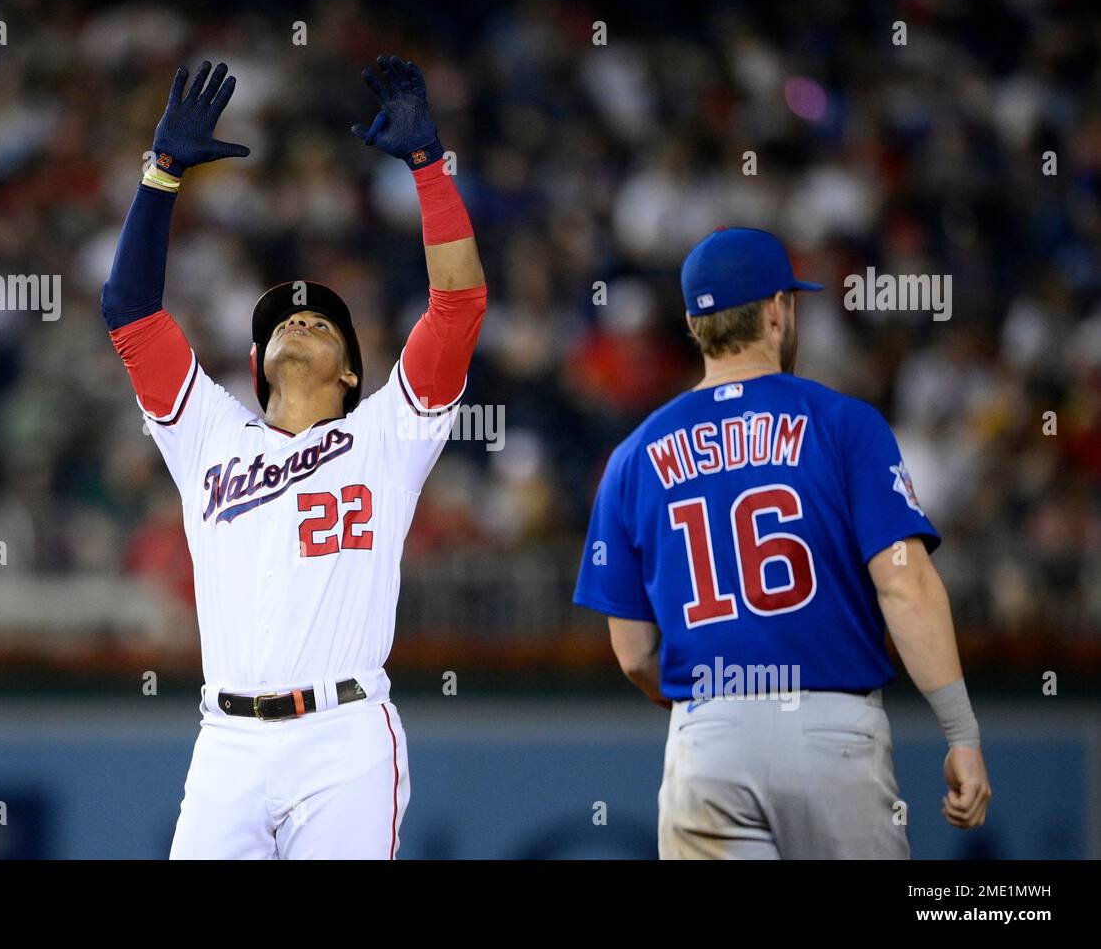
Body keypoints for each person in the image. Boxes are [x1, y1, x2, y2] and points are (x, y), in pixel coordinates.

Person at [101, 56, 487, 858]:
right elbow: (129, 311)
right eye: (283, 319)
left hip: (343, 737)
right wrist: (162, 174)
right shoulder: (206, 430)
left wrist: (428, 169)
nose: (300, 320)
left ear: (352, 369)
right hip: (227, 741)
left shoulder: (388, 435)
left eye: (321, 321)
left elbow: (458, 307)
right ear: (254, 365)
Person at [573, 227, 991, 858]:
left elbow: (633, 655)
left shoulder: (632, 458)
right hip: (832, 733)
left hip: (706, 738)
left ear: (693, 322)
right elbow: (904, 582)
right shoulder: (846, 424)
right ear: (777, 310)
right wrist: (960, 732)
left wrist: (719, 704)